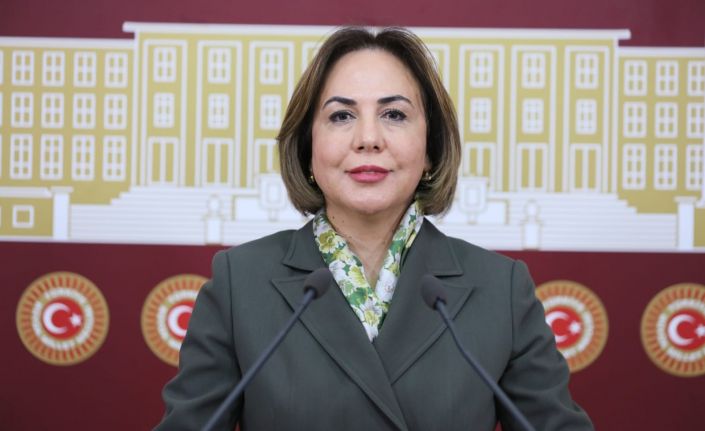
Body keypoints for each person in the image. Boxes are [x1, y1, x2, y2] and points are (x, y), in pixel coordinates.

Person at [156, 26, 594, 430]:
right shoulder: (239, 283)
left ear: (430, 148)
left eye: (395, 115)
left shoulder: (501, 290)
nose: (368, 138)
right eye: (341, 116)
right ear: (308, 147)